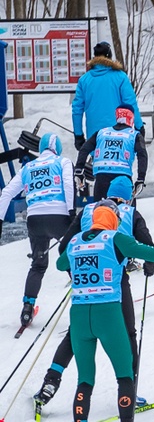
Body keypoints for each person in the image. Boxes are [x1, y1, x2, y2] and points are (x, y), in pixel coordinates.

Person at [35, 177, 154, 408]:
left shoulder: (88, 211)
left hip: (85, 285)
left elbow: (63, 248)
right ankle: (130, 392)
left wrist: (78, 274)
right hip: (116, 285)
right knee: (128, 334)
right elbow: (149, 249)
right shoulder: (130, 213)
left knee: (75, 336)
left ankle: (50, 383)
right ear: (128, 196)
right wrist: (149, 267)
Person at [56, 201, 154, 422]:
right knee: (124, 376)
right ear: (113, 219)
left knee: (85, 379)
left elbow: (60, 263)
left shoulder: (75, 241)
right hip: (108, 315)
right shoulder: (116, 239)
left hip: (80, 316)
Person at [0, 133, 74, 328]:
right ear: (57, 148)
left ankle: (27, 307)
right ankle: (89, 295)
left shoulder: (28, 167)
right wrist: (71, 211)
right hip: (59, 216)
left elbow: (6, 193)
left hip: (35, 220)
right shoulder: (62, 161)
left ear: (40, 148)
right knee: (74, 255)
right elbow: (68, 184)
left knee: (38, 265)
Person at [72, 42, 143, 151]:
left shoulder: (84, 80)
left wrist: (78, 135)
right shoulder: (120, 77)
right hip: (118, 133)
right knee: (118, 163)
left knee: (97, 164)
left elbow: (77, 109)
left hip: (94, 136)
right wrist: (139, 126)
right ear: (109, 56)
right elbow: (130, 103)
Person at [75, 104, 147, 199]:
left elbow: (84, 149)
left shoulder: (102, 132)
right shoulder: (134, 135)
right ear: (131, 117)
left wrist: (79, 170)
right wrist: (140, 179)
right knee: (126, 211)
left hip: (101, 178)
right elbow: (142, 155)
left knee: (100, 211)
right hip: (123, 179)